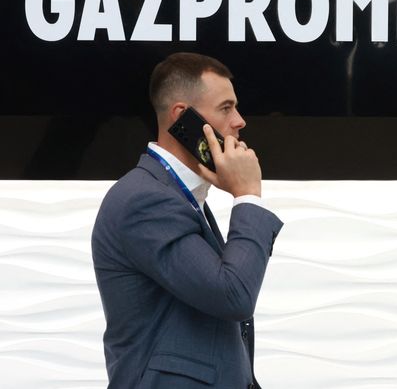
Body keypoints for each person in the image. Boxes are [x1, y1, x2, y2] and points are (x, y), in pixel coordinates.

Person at [91, 52, 282, 388]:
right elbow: (232, 294)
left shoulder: (176, 196)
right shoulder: (145, 199)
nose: (239, 121)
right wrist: (247, 195)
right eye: (226, 108)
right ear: (183, 117)